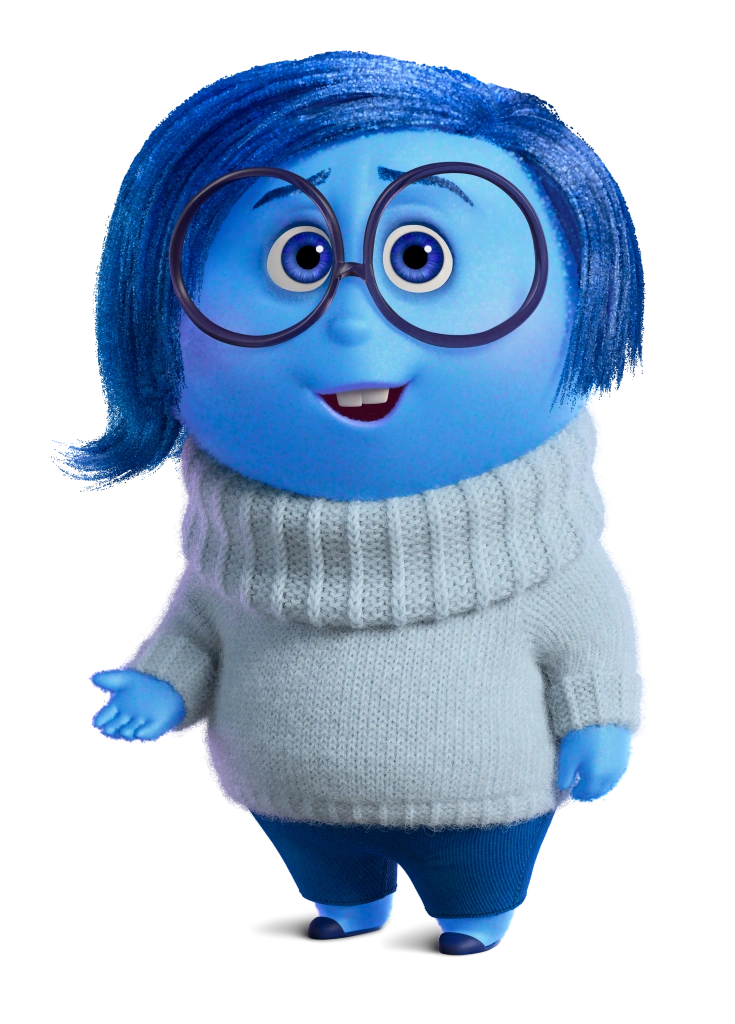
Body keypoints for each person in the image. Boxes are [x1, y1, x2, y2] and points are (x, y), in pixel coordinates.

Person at [61, 53, 647, 956]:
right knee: (330, 879)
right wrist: (157, 686)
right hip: (287, 801)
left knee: (475, 883)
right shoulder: (223, 557)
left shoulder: (550, 555)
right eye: (300, 258)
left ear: (581, 292)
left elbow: (588, 635)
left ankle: (477, 916)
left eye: (418, 256)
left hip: (486, 802)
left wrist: (599, 720)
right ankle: (348, 902)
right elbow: (196, 628)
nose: (351, 318)